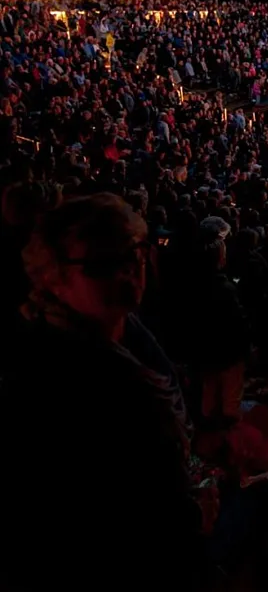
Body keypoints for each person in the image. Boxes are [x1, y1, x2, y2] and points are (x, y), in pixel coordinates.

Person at [0, 193, 207, 591]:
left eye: (134, 252)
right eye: (103, 264)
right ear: (52, 276)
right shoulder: (48, 381)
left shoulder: (129, 332)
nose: (130, 270)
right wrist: (190, 515)